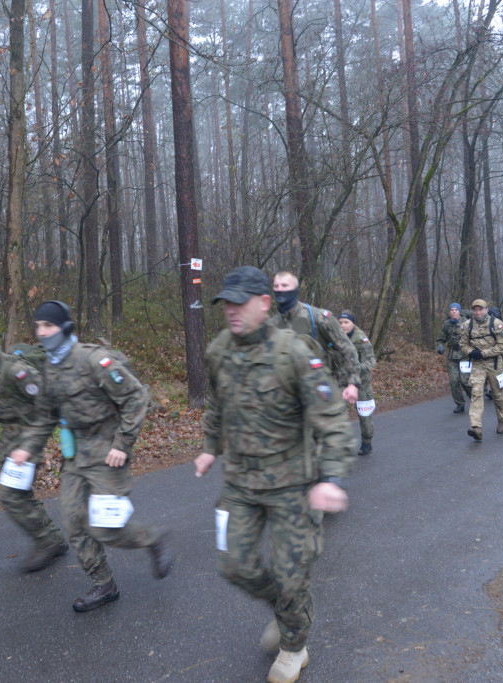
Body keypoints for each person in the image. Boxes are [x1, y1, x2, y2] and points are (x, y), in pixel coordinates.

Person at [196, 266, 355, 683]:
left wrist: (331, 478)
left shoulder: (295, 352)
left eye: (240, 303)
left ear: (264, 304)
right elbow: (217, 405)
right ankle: (284, 609)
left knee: (291, 573)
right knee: (234, 565)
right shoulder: (218, 352)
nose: (231, 311)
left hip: (293, 486)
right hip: (241, 484)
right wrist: (210, 448)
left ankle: (293, 645)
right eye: (225, 304)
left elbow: (333, 418)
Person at [19, 301, 172, 612]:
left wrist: (123, 444)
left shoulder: (92, 360)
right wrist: (27, 447)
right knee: (74, 521)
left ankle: (152, 538)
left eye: (48, 326)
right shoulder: (49, 366)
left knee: (105, 528)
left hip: (107, 452)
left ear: (63, 328)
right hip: (75, 455)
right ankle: (104, 584)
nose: (42, 332)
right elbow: (46, 416)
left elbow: (135, 397)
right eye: (38, 326)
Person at [0, 325, 68, 572]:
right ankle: (53, 539)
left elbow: (48, 408)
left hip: (30, 436)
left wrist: (29, 447)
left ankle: (48, 542)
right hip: (9, 439)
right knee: (18, 494)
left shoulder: (17, 370)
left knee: (11, 495)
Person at [270, 271, 360, 405]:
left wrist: (352, 384)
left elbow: (348, 349)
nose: (280, 290)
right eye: (276, 286)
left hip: (321, 395)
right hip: (287, 400)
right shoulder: (272, 324)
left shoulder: (319, 318)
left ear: (295, 289)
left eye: (284, 286)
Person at [460, 299, 503, 441]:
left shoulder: (497, 324)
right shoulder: (467, 326)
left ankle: (502, 420)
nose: (478, 312)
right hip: (477, 364)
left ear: (486, 309)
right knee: (476, 393)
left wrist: (484, 353)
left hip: (495, 364)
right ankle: (476, 427)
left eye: (481, 309)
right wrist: (470, 352)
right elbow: (462, 344)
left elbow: (502, 346)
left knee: (498, 395)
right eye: (475, 310)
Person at [338, 310, 377, 455]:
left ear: (353, 323)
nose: (343, 325)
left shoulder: (361, 339)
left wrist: (357, 369)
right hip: (341, 383)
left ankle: (367, 442)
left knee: (365, 418)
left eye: (346, 322)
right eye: (340, 322)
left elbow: (371, 361)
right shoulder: (336, 337)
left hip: (361, 383)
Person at [436, 303, 471, 413]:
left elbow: (474, 337)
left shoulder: (467, 323)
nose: (454, 312)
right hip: (452, 357)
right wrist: (440, 346)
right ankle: (460, 404)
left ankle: (475, 399)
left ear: (459, 311)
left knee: (465, 381)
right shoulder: (447, 324)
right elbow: (441, 338)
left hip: (465, 356)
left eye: (456, 310)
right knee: (454, 381)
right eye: (452, 310)